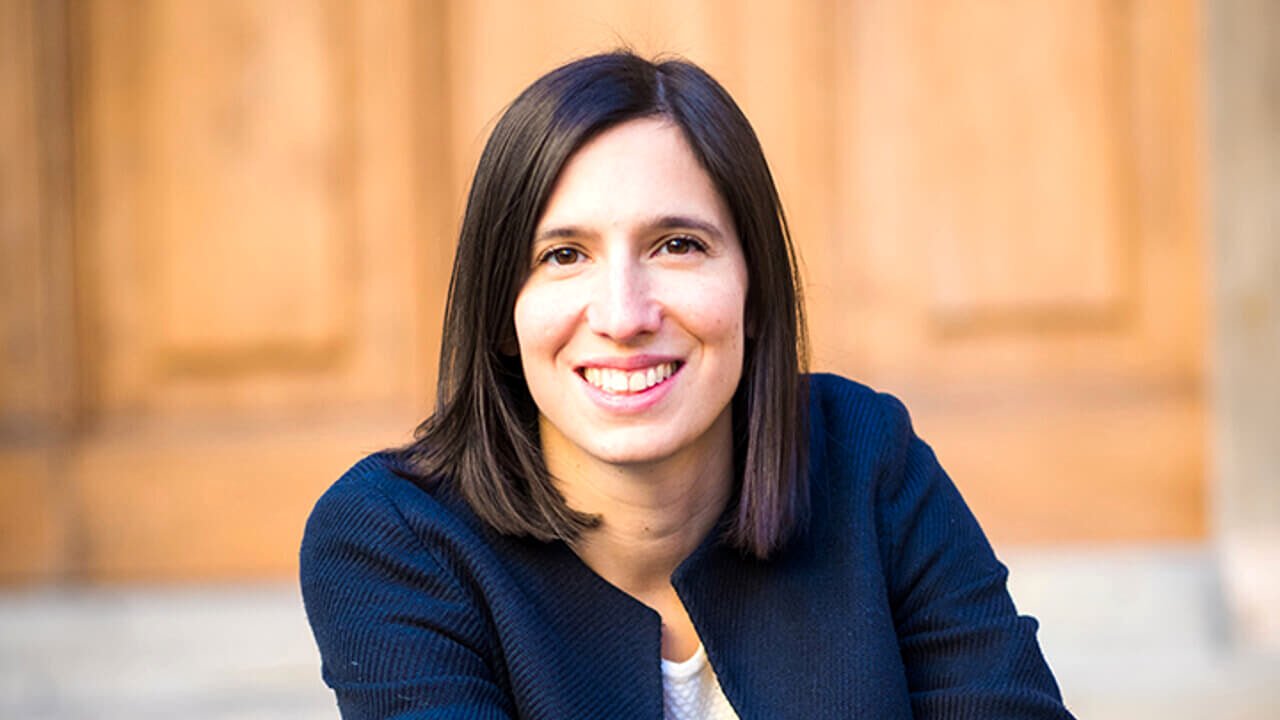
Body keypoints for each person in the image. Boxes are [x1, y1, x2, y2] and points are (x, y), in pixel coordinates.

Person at [300, 51, 1075, 719]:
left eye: (677, 245)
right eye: (563, 256)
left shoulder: (865, 461)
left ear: (755, 292)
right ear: (503, 313)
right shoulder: (393, 539)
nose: (623, 316)